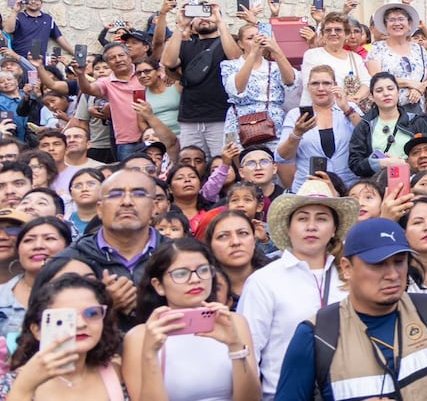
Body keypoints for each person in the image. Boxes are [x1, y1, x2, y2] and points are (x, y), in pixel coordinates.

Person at [276, 218, 427, 400]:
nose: (392, 275)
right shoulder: (316, 335)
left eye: (399, 261)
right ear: (347, 268)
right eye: (378, 264)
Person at [236, 179, 358, 400]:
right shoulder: (264, 282)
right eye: (302, 219)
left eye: (321, 219)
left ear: (333, 230)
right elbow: (248, 353)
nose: (311, 226)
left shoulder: (351, 278)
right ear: (289, 228)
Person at [122, 238, 260, 401]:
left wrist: (236, 346)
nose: (195, 279)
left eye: (203, 270)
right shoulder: (140, 336)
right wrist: (150, 355)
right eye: (181, 274)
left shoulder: (234, 322)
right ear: (158, 285)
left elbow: (252, 398)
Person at [54, 168, 160, 333]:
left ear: (154, 208)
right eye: (115, 194)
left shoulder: (177, 256)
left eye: (138, 194)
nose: (126, 202)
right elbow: (48, 329)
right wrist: (102, 305)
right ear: (99, 209)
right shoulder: (69, 261)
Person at [0, 274, 124, 401]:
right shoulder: (11, 383)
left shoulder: (118, 373)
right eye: (67, 317)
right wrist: (23, 389)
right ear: (37, 330)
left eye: (92, 313)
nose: (81, 324)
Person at [161, 0, 243, 157]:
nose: (204, 18)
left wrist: (219, 21)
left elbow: (235, 58)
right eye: (197, 15)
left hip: (222, 117)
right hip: (190, 118)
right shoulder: (186, 45)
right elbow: (168, 62)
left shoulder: (225, 43)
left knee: (224, 163)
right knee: (192, 164)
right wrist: (180, 26)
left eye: (207, 14)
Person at [275, 65, 361, 192]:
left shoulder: (350, 108)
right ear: (308, 87)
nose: (321, 88)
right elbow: (281, 157)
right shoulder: (295, 115)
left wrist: (347, 109)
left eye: (326, 83)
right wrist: (297, 133)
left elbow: (367, 136)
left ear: (335, 85)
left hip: (348, 187)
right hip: (309, 189)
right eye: (315, 83)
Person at [221, 22, 297, 143]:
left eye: (259, 36)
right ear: (240, 44)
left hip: (272, 123)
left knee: (273, 159)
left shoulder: (275, 66)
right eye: (250, 38)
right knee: (234, 156)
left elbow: (290, 81)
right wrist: (252, 54)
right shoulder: (229, 65)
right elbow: (238, 88)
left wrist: (276, 49)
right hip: (237, 122)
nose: (256, 41)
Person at [0, 214, 70, 345]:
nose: (38, 246)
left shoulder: (84, 293)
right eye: (28, 240)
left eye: (49, 238)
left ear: (68, 247)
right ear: (18, 250)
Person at [347, 72, 419, 178]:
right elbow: (355, 163)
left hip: (411, 181)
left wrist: (404, 164)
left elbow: (425, 156)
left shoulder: (415, 121)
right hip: (376, 184)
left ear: (398, 92)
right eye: (379, 90)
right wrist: (381, 164)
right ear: (372, 96)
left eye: (390, 89)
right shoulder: (365, 125)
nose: (386, 93)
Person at [368, 1, 427, 106]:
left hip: (419, 109)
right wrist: (411, 84)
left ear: (409, 24)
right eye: (391, 20)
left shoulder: (418, 49)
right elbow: (377, 79)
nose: (397, 23)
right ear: (385, 25)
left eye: (401, 19)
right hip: (390, 109)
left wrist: (419, 89)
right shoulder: (377, 49)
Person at [203, 209, 270, 310]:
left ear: (254, 238)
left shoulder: (277, 276)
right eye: (223, 236)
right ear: (210, 245)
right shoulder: (203, 289)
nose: (235, 242)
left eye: (243, 233)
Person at [300, 12, 370, 107]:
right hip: (318, 111)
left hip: (349, 111)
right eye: (328, 30)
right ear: (322, 34)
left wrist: (355, 98)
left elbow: (366, 82)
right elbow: (309, 85)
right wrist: (340, 98)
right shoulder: (312, 55)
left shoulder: (355, 58)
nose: (333, 33)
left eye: (338, 30)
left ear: (346, 34)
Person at [3, 0, 74, 58]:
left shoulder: (48, 19)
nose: (33, 1)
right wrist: (15, 11)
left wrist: (73, 53)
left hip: (39, 61)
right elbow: (7, 30)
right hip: (20, 59)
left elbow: (59, 37)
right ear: (26, 3)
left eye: (36, 0)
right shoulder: (19, 16)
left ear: (41, 3)